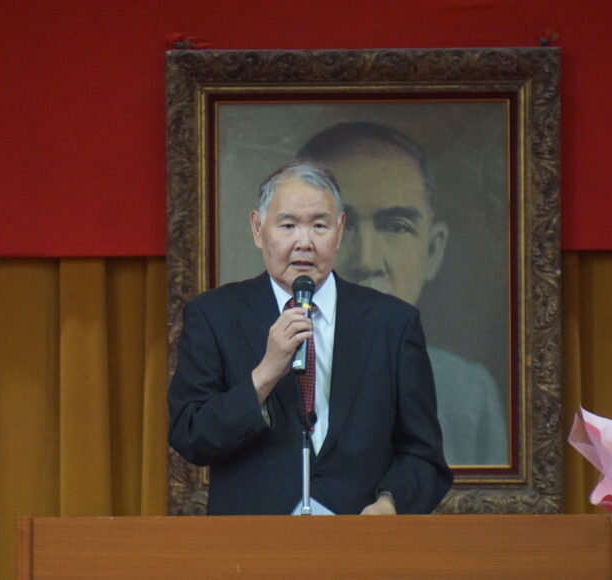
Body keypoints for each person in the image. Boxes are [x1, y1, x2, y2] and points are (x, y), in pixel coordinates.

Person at [168, 160, 452, 515]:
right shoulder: (214, 316)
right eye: (288, 225)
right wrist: (265, 374)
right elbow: (191, 437)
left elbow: (423, 455)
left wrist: (388, 504)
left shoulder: (392, 323)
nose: (304, 243)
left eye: (319, 225)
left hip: (360, 539)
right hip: (252, 540)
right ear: (258, 229)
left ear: (340, 230)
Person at [298, 121, 508, 466]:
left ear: (433, 251)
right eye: (336, 227)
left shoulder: (469, 395)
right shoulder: (257, 376)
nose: (366, 261)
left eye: (395, 227)